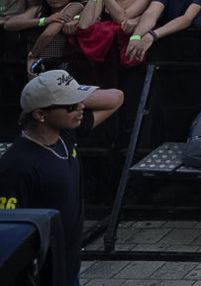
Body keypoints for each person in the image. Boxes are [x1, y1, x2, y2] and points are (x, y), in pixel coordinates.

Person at [0, 69, 125, 286]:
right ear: (40, 115)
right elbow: (7, 231)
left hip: (67, 263)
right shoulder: (17, 165)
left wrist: (62, 87)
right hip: (40, 274)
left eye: (80, 101)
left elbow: (115, 99)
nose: (81, 107)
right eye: (70, 105)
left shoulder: (65, 133)